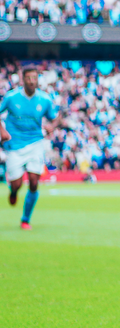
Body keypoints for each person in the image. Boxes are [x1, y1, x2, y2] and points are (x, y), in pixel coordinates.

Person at [3, 68, 58, 230]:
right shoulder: (11, 97)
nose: (32, 81)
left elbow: (54, 118)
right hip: (14, 145)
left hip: (35, 143)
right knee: (17, 184)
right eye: (28, 78)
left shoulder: (44, 99)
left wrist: (51, 126)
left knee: (34, 181)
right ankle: (13, 191)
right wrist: (2, 131)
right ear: (23, 79)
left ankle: (25, 219)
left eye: (34, 78)